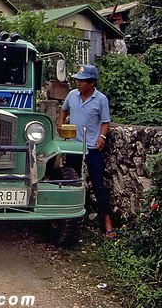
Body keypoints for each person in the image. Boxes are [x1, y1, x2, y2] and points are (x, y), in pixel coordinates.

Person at [57, 64, 115, 238]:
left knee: (98, 185)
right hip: (73, 147)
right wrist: (60, 124)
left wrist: (102, 137)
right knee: (70, 182)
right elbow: (63, 110)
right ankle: (67, 219)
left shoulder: (101, 99)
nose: (78, 84)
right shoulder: (72, 95)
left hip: (91, 149)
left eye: (82, 81)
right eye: (77, 80)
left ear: (91, 83)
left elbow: (105, 122)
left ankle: (106, 221)